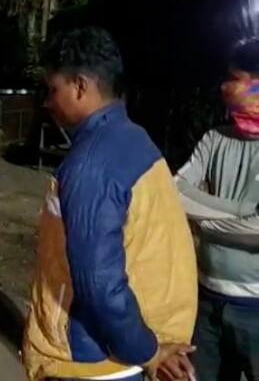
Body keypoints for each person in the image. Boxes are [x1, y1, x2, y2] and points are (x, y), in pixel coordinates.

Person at [21, 27, 198, 381]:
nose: (48, 102)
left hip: (93, 359)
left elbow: (99, 282)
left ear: (80, 87)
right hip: (129, 345)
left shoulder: (91, 164)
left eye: (53, 90)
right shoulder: (135, 140)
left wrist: (146, 351)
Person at [175, 38, 259, 381]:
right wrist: (243, 211)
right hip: (206, 300)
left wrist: (201, 218)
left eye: (234, 78)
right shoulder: (214, 139)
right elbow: (174, 193)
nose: (224, 87)